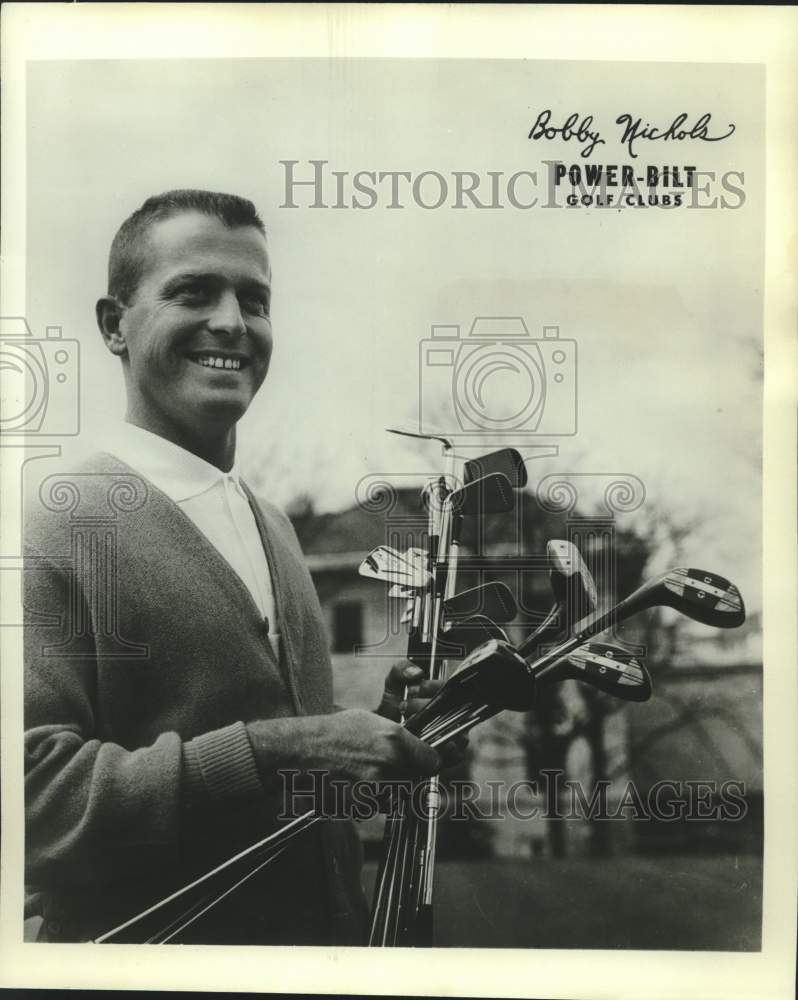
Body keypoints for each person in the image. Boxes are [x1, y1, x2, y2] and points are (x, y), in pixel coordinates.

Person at [23, 189, 451, 945]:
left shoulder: (277, 527)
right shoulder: (52, 521)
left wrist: (377, 736)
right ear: (113, 325)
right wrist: (279, 749)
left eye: (255, 301)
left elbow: (281, 810)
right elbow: (30, 799)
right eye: (193, 292)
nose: (231, 322)